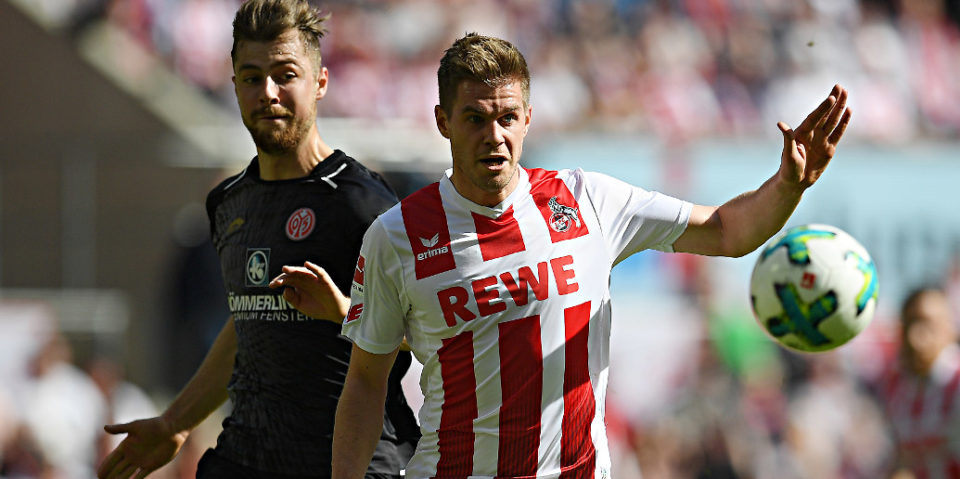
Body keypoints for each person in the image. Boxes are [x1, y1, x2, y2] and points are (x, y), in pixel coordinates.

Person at [273, 33, 851, 478]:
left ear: (527, 120)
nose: (493, 134)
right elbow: (366, 383)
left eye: (506, 118)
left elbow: (727, 232)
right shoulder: (396, 236)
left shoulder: (588, 199)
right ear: (443, 122)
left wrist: (788, 185)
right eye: (474, 119)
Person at [96, 1, 418, 478]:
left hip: (346, 464)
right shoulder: (229, 203)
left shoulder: (363, 204)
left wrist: (346, 313)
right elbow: (249, 323)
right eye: (251, 77)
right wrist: (175, 422)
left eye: (285, 75)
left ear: (321, 82)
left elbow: (431, 332)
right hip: (245, 457)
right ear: (234, 87)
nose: (267, 92)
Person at [879, 287, 960, 478]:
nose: (915, 337)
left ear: (951, 328)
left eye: (927, 324)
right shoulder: (896, 390)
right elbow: (903, 458)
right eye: (909, 324)